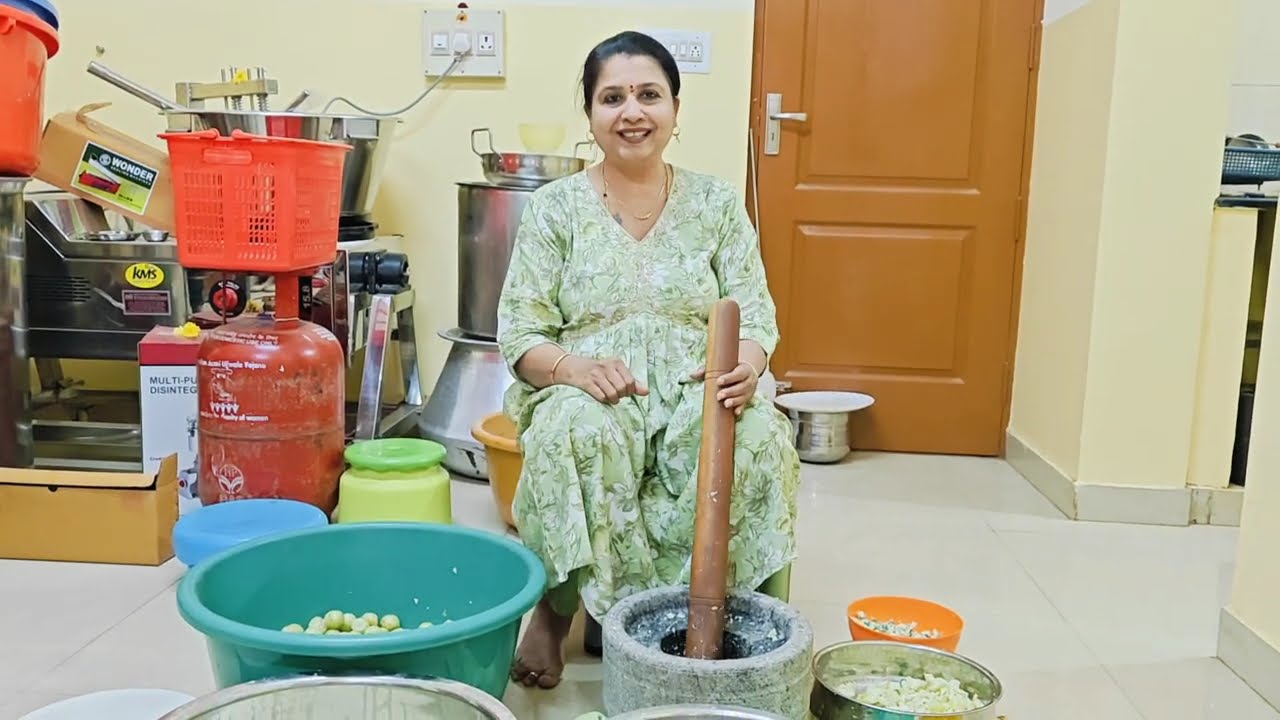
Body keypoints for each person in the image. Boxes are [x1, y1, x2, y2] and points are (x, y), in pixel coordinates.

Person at [496, 30, 801, 690]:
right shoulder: (554, 209)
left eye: (648, 95)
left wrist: (747, 365)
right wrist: (573, 369)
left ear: (675, 109)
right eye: (612, 98)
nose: (631, 112)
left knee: (759, 436)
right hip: (593, 387)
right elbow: (520, 332)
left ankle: (735, 615)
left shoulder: (717, 204)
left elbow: (755, 313)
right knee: (571, 432)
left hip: (700, 385)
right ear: (590, 115)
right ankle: (556, 612)